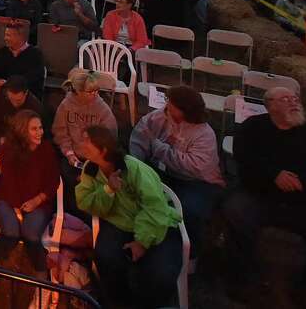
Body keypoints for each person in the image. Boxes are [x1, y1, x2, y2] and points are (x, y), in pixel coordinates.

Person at [223, 87, 306, 306]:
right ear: (270, 105)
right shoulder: (253, 127)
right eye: (285, 99)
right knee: (235, 211)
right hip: (261, 196)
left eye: (295, 98)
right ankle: (242, 281)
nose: (294, 102)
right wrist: (273, 175)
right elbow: (244, 157)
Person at [76, 125, 184, 308]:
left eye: (87, 140)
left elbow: (154, 207)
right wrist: (108, 189)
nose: (81, 144)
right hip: (119, 223)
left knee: (161, 274)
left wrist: (141, 241)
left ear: (103, 149)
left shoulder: (133, 169)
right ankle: (120, 302)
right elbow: (84, 201)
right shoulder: (91, 169)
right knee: (106, 258)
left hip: (156, 224)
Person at [129, 85, 224, 262]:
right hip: (167, 173)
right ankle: (148, 239)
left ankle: (190, 252)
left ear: (184, 110)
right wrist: (137, 166)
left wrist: (159, 148)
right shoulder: (159, 117)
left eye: (170, 103)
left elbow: (195, 166)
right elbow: (140, 138)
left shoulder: (204, 134)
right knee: (145, 197)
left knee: (189, 210)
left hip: (199, 182)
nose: (166, 106)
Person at [0, 109, 60, 283]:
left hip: (39, 201)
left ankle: (42, 280)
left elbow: (53, 180)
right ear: (22, 130)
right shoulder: (8, 149)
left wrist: (38, 200)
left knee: (31, 235)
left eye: (40, 128)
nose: (39, 132)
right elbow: (10, 183)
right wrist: (18, 210)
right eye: (34, 129)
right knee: (11, 233)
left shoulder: (47, 150)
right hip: (9, 198)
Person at [52, 68, 117, 178]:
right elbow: (60, 133)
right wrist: (69, 153)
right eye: (90, 92)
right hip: (73, 155)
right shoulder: (66, 106)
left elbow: (110, 136)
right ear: (78, 91)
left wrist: (96, 158)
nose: (95, 94)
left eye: (97, 90)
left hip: (96, 158)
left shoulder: (102, 109)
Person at [0, 77, 45, 160]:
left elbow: (40, 134)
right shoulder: (0, 100)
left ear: (26, 93)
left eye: (18, 100)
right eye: (12, 99)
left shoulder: (35, 107)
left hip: (23, 142)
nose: (14, 104)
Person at [0, 23, 45, 97]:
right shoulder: (2, 52)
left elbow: (31, 79)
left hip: (24, 94)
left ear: (20, 37)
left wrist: (7, 84)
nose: (5, 38)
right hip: (0, 90)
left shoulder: (35, 54)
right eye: (5, 35)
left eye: (8, 35)